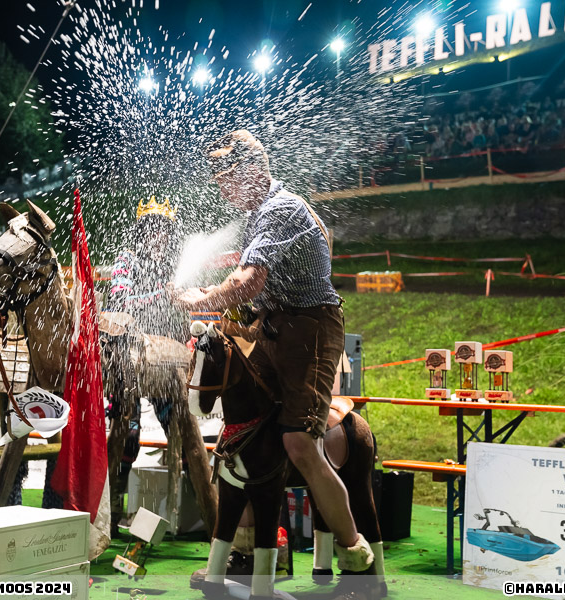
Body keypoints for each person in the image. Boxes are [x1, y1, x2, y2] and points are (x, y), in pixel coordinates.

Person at [172, 129, 373, 571]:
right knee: (242, 422)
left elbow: (248, 282)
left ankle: (354, 548)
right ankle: (244, 548)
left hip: (311, 331)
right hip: (276, 326)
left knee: (300, 443)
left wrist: (200, 300)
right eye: (220, 181)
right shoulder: (261, 211)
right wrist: (218, 302)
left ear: (253, 172)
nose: (223, 190)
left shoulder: (278, 210)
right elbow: (251, 296)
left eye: (228, 179)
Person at [105, 195, 188, 534]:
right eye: (152, 230)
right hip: (129, 357)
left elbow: (180, 310)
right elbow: (118, 300)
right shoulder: (127, 259)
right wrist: (160, 296)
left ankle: (179, 515)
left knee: (180, 432)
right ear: (141, 233)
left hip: (166, 357)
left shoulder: (174, 264)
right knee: (128, 435)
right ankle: (112, 510)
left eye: (163, 231)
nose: (158, 236)